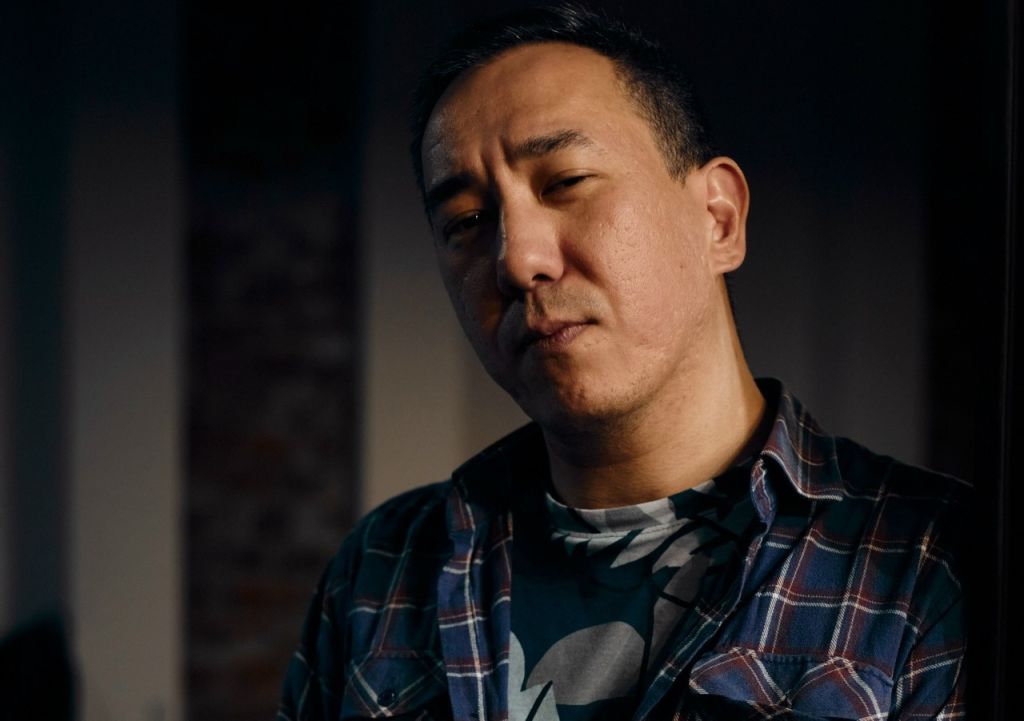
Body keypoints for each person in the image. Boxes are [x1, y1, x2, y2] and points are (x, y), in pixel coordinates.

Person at [278, 5, 968, 720]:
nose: (516, 259)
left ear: (718, 219)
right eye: (467, 222)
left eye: (566, 182)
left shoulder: (931, 562)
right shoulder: (381, 571)